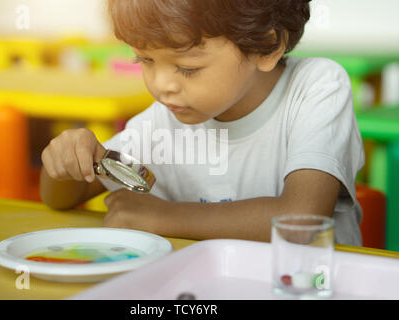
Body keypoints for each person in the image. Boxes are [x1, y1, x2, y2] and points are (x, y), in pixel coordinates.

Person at [40, 0, 365, 245]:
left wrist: (164, 217)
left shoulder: (315, 87)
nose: (162, 84)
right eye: (146, 60)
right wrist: (67, 158)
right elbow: (61, 196)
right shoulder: (162, 122)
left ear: (266, 46)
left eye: (188, 68)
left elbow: (302, 219)